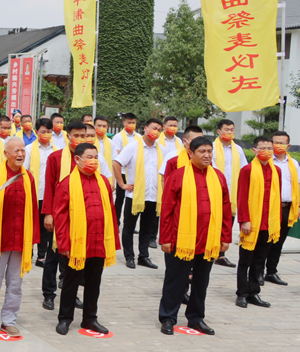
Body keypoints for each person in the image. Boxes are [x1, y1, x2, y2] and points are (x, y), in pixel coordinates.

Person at [157, 136, 230, 336]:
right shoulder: (178, 176)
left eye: (209, 151)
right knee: (176, 280)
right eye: (202, 151)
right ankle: (168, 318)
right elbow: (167, 209)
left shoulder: (218, 176)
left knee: (201, 280)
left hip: (209, 239)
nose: (207, 155)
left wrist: (225, 237)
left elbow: (225, 208)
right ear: (191, 153)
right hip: (181, 239)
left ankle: (196, 318)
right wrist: (165, 238)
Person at [53, 143, 117, 335]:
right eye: (89, 157)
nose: (93, 161)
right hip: (76, 243)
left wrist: (111, 240)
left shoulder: (104, 182)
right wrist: (64, 243)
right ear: (77, 160)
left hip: (98, 241)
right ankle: (65, 318)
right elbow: (60, 217)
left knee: (93, 283)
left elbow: (111, 212)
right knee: (71, 282)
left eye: (96, 157)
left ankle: (90, 318)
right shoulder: (66, 183)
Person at [0, 137, 39, 336]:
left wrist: (32, 239)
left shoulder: (28, 177)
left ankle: (9, 320)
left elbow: (33, 209)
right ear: (5, 154)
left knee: (15, 284)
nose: (21, 154)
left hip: (20, 239)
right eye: (16, 151)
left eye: (23, 150)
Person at [42, 123, 94, 310]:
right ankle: (49, 293)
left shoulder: (88, 159)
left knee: (74, 254)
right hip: (59, 214)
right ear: (68, 136)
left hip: (80, 216)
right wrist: (49, 214)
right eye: (76, 135)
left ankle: (70, 291)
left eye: (84, 135)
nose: (80, 138)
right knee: (54, 254)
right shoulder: (56, 158)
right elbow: (49, 187)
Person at [234, 136, 281, 308]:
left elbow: (276, 196)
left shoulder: (277, 171)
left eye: (270, 148)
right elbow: (242, 197)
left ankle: (254, 292)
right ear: (254, 150)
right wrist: (244, 220)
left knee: (260, 260)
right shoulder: (247, 170)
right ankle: (241, 293)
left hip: (269, 223)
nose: (267, 151)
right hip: (252, 223)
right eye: (263, 148)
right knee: (245, 260)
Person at [112, 118, 164, 270]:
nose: (156, 132)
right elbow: (116, 163)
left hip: (153, 196)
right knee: (129, 227)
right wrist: (122, 184)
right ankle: (129, 256)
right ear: (146, 128)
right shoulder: (133, 147)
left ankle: (143, 256)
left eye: (159, 130)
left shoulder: (161, 150)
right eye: (154, 128)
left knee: (147, 229)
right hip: (134, 196)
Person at [265, 131, 298, 286]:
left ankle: (271, 271)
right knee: (266, 240)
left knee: (279, 242)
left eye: (281, 143)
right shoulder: (267, 162)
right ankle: (257, 273)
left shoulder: (294, 164)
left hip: (286, 207)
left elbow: (297, 185)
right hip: (270, 208)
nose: (278, 146)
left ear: (288, 146)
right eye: (275, 142)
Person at [213, 119, 247, 268]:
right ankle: (210, 249)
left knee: (227, 222)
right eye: (227, 129)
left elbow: (244, 169)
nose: (230, 132)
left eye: (232, 130)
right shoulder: (212, 148)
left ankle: (221, 254)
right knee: (213, 221)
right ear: (219, 132)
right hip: (214, 190)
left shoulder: (238, 149)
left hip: (232, 193)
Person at [25, 118, 57, 269]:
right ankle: (28, 253)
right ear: (36, 132)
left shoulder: (56, 151)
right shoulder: (29, 149)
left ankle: (41, 256)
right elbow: (24, 173)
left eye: (49, 132)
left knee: (46, 227)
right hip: (33, 194)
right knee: (31, 226)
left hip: (49, 195)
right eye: (43, 132)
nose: (46, 134)